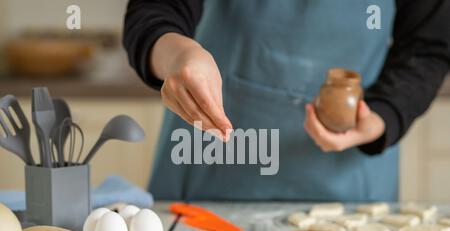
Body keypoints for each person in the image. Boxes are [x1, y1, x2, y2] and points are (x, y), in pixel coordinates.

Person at [123, 0, 450, 202]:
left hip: (351, 183)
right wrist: (179, 54)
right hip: (207, 168)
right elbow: (156, 8)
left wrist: (382, 114)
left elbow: (428, 47)